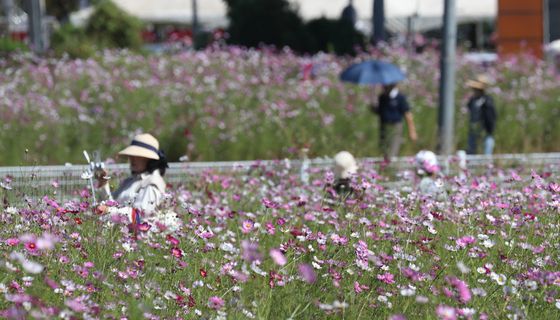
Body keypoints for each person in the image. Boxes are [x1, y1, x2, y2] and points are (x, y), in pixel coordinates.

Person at [96, 133, 168, 217]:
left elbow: (141, 215)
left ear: (149, 159)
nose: (132, 159)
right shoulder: (131, 181)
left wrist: (109, 210)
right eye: (131, 155)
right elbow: (112, 203)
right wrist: (104, 184)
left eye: (139, 156)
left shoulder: (152, 183)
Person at [371, 83, 418, 161]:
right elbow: (381, 111)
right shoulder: (382, 97)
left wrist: (412, 131)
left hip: (395, 126)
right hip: (384, 126)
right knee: (383, 148)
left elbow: (407, 114)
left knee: (393, 150)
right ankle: (385, 165)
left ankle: (390, 165)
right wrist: (373, 108)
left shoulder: (400, 97)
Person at [465, 75, 497, 155]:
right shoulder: (473, 100)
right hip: (474, 127)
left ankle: (486, 164)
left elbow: (491, 116)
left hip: (485, 128)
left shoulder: (487, 100)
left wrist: (489, 128)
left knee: (487, 147)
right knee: (472, 148)